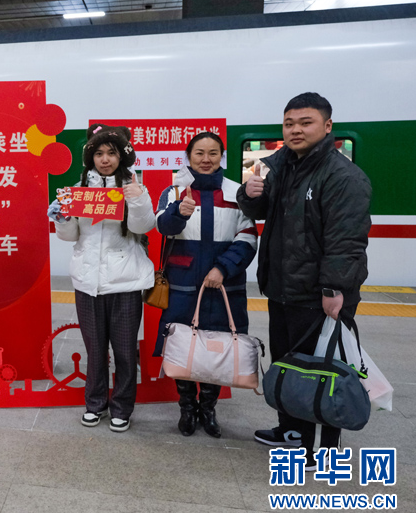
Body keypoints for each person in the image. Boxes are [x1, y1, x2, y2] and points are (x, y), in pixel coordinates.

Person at [236, 92, 371, 467]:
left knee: (324, 370)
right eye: (289, 123)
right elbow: (261, 209)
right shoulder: (281, 168)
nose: (295, 130)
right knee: (289, 366)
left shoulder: (343, 176)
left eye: (305, 122)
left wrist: (334, 288)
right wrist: (249, 194)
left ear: (327, 126)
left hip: (318, 295)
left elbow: (346, 241)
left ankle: (323, 447)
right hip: (282, 288)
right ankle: (291, 431)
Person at [48, 130, 156, 432]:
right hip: (87, 281)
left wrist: (137, 199)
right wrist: (62, 218)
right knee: (94, 350)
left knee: (124, 351)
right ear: (91, 158)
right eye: (98, 154)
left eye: (111, 153)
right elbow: (70, 236)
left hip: (125, 282)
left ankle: (122, 408)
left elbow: (144, 226)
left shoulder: (134, 187)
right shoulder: (78, 189)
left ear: (121, 156)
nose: (105, 159)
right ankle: (95, 404)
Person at [152, 132, 258, 438]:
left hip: (225, 285)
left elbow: (248, 237)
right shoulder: (174, 190)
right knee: (181, 344)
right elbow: (162, 227)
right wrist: (178, 213)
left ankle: (208, 408)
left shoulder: (237, 193)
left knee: (218, 346)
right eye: (199, 153)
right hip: (183, 284)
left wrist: (223, 268)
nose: (206, 159)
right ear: (188, 157)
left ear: (221, 157)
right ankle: (187, 408)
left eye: (213, 153)